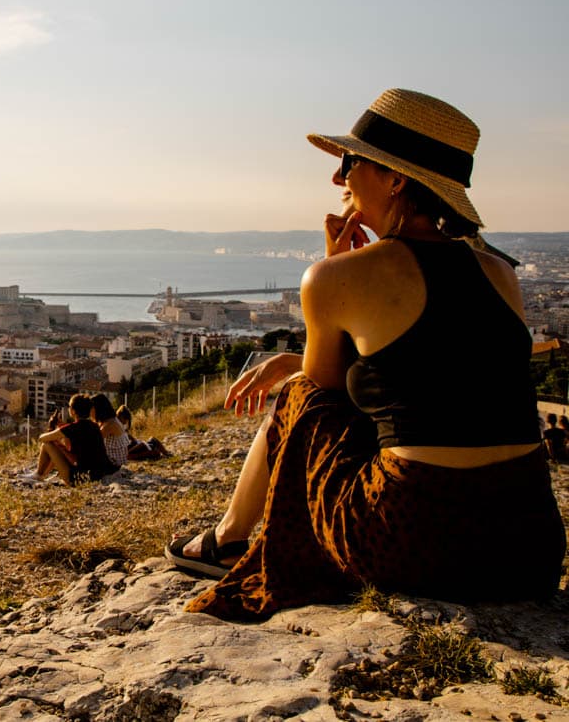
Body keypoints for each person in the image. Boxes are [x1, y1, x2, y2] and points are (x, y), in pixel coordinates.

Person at [164, 89, 566, 620]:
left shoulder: (337, 277)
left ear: (396, 178)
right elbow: (434, 374)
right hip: (525, 549)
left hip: (412, 545)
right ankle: (227, 536)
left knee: (301, 394)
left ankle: (228, 538)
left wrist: (331, 270)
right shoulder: (499, 273)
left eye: (350, 162)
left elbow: (323, 389)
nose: (338, 178)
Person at [33, 394, 117, 485]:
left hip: (79, 478)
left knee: (47, 444)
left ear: (73, 411)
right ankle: (40, 475)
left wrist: (51, 427)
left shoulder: (72, 428)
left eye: (69, 407)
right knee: (57, 445)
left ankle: (38, 474)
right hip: (98, 475)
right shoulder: (94, 426)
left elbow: (42, 438)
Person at [90, 393, 129, 469]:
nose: (89, 412)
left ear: (98, 408)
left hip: (114, 464)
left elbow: (93, 441)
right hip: (114, 461)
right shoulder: (109, 421)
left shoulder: (110, 424)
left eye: (91, 408)